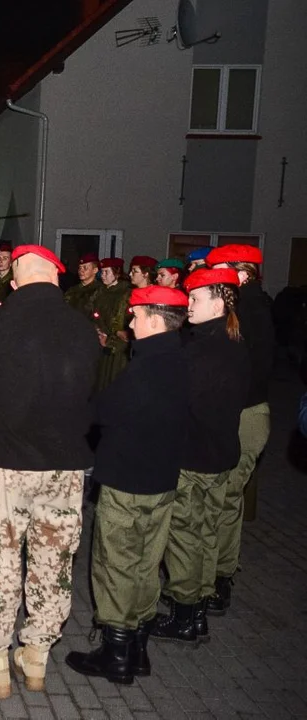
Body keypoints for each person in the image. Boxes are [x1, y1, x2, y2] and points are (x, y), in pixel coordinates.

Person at [0, 245, 99, 699]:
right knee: (53, 562)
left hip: (6, 462)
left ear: (13, 284)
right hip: (66, 466)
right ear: (57, 278)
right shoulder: (83, 328)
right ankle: (36, 656)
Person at [65, 286, 189, 684]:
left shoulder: (146, 366)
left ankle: (115, 654)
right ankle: (137, 649)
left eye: (135, 316)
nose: (130, 323)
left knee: (115, 564)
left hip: (128, 481)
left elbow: (104, 410)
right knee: (147, 565)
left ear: (154, 319)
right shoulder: (180, 360)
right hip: (163, 480)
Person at [150, 268, 249, 645]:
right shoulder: (232, 339)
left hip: (194, 456)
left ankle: (185, 614)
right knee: (206, 533)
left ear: (218, 302)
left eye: (195, 298)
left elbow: (181, 403)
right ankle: (199, 607)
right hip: (220, 453)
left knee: (185, 537)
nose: (188, 304)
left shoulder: (202, 348)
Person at [201, 245, 273, 614]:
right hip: (237, 411)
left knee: (228, 499)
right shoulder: (245, 307)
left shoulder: (252, 311)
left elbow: (251, 373)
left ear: (242, 273)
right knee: (222, 498)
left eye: (222, 269)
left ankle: (219, 578)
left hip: (244, 415)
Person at [93, 257, 131, 390]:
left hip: (115, 343)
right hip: (100, 338)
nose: (103, 276)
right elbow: (93, 312)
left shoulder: (124, 293)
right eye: (101, 272)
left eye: (106, 272)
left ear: (117, 273)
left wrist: (110, 335)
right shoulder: (100, 291)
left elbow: (119, 320)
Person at [64, 252, 101, 319]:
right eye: (80, 268)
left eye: (85, 268)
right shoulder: (72, 290)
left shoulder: (101, 290)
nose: (81, 271)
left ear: (95, 270)